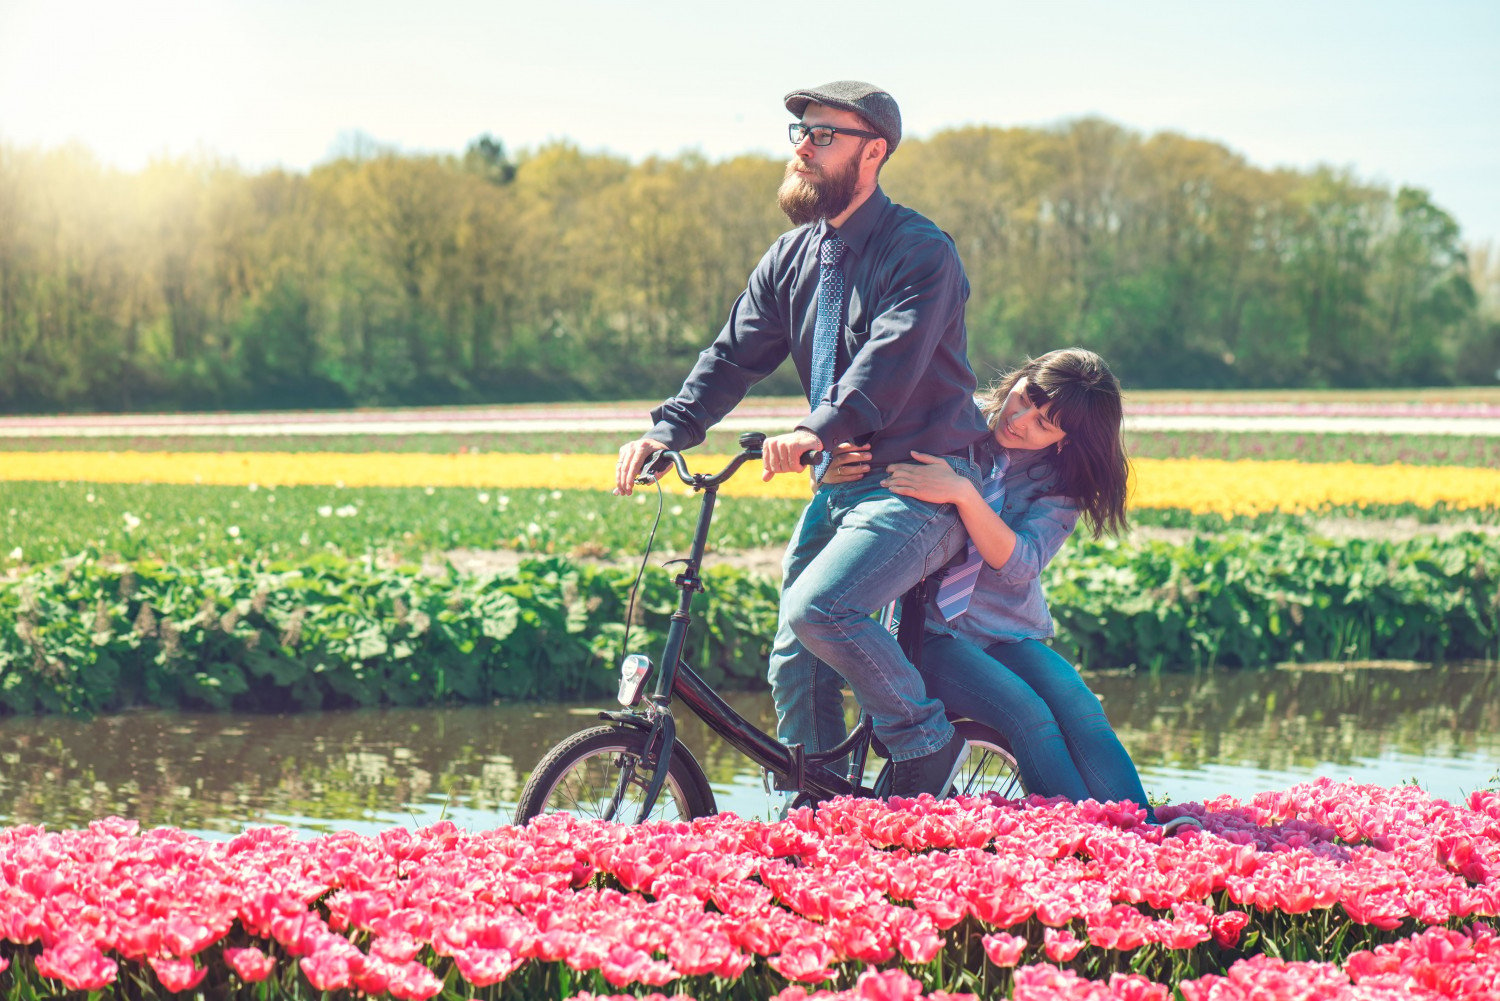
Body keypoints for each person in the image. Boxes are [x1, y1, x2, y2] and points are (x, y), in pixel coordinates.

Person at [614, 80, 993, 797]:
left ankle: (924, 742)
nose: (803, 148)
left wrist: (813, 430)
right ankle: (816, 808)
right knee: (795, 660)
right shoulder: (790, 258)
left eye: (824, 135)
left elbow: (887, 366)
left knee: (820, 607)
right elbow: (730, 358)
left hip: (921, 481)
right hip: (842, 480)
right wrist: (668, 431)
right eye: (799, 134)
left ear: (873, 151)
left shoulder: (920, 251)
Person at [827, 348, 1188, 825]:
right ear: (1018, 379)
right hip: (930, 633)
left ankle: (1137, 828)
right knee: (1028, 715)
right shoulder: (955, 426)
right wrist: (830, 474)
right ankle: (1093, 838)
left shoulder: (1059, 484)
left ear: (1065, 440)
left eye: (1044, 423)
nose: (1019, 420)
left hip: (1007, 633)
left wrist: (962, 492)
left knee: (1082, 711)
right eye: (1024, 399)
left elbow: (1019, 565)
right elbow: (869, 473)